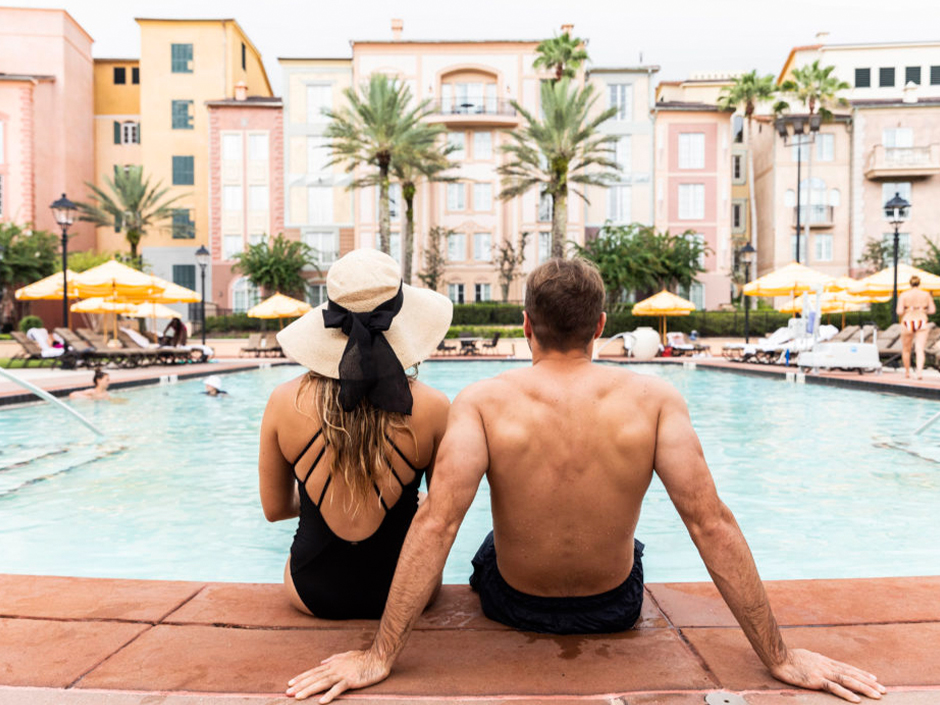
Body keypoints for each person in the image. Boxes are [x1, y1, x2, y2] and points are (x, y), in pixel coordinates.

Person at [287, 258, 886, 704]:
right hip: (614, 606)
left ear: (526, 325)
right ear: (600, 324)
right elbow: (711, 523)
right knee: (636, 545)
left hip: (513, 604)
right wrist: (778, 656)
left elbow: (436, 521)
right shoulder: (655, 400)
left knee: (484, 544)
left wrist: (379, 655)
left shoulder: (483, 402)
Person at [259, 249, 452, 620]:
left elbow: (275, 509)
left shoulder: (284, 402)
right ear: (402, 320)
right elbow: (442, 518)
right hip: (407, 592)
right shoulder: (434, 407)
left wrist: (324, 488)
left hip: (312, 589)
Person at [897, 275, 936, 380]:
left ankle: (907, 372)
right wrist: (923, 310)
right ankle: (919, 372)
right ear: (919, 283)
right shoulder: (926, 294)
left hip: (908, 321)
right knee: (920, 349)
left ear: (910, 283)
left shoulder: (904, 295)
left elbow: (899, 311)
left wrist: (908, 309)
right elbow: (932, 310)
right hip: (921, 320)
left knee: (906, 349)